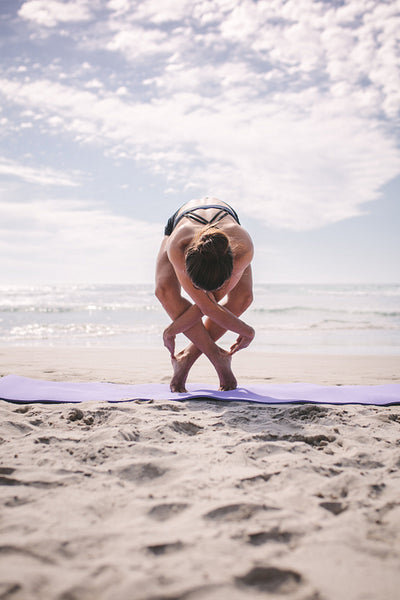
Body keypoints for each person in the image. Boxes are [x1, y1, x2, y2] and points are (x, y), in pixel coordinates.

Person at [155, 197, 255, 392]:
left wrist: (171, 330)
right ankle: (218, 358)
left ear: (232, 266)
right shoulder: (178, 245)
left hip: (226, 232)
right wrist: (246, 331)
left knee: (243, 297)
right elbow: (206, 307)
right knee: (164, 291)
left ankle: (186, 358)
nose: (207, 293)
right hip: (182, 221)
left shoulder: (243, 248)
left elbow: (209, 305)